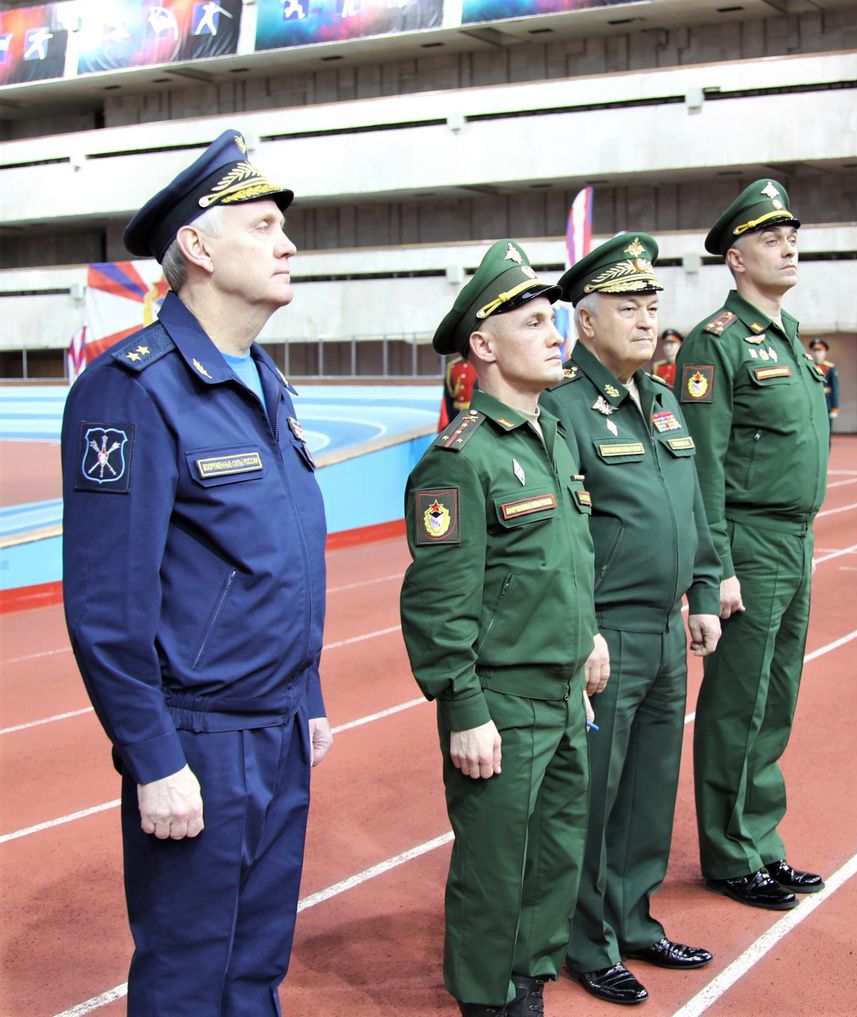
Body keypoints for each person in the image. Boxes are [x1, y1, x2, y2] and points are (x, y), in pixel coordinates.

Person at [60, 129, 333, 1016]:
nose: (288, 244)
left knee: (255, 966)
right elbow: (107, 605)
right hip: (200, 740)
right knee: (188, 976)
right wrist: (153, 756)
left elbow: (278, 558)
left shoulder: (265, 382)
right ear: (199, 248)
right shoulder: (133, 389)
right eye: (263, 226)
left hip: (278, 725)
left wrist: (308, 692)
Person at [399, 239, 611, 1017]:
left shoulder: (552, 435)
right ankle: (486, 1000)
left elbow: (567, 559)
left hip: (561, 692)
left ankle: (528, 982)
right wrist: (464, 707)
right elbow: (437, 601)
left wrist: (585, 641)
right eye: (534, 323)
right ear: (484, 347)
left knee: (554, 856)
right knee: (494, 867)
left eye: (553, 320)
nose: (557, 334)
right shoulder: (461, 459)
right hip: (503, 701)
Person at [542, 233, 723, 1006]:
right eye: (629, 307)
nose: (648, 320)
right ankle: (587, 938)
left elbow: (694, 505)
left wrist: (704, 588)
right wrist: (583, 627)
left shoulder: (663, 400)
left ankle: (633, 917)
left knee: (649, 789)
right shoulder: (563, 407)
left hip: (666, 625)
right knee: (596, 793)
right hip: (608, 632)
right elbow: (562, 536)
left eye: (652, 306)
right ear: (586, 322)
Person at [676, 178, 831, 910]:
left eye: (792, 237)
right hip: (751, 538)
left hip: (796, 539)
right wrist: (718, 568)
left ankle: (760, 838)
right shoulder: (716, 344)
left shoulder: (788, 336)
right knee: (738, 702)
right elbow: (703, 467)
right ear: (736, 258)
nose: (788, 248)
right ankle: (729, 850)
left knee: (776, 699)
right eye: (771, 239)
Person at [809, 337, 841, 433]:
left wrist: (835, 407)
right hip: (811, 403)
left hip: (826, 403)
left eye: (820, 351)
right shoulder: (808, 366)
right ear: (811, 352)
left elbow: (835, 388)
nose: (817, 353)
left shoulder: (830, 367)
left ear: (825, 353)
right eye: (814, 351)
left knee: (826, 431)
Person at [442, 353, 478, 428]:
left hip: (474, 411)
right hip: (455, 411)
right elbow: (448, 395)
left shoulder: (477, 366)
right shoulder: (452, 366)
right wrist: (451, 417)